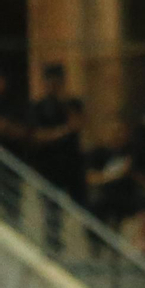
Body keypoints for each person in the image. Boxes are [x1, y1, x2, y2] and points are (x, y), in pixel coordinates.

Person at [28, 64, 86, 204]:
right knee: (51, 207)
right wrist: (64, 130)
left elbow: (78, 124)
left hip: (72, 164)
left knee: (82, 205)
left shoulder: (72, 104)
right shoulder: (39, 107)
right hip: (49, 165)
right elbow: (38, 135)